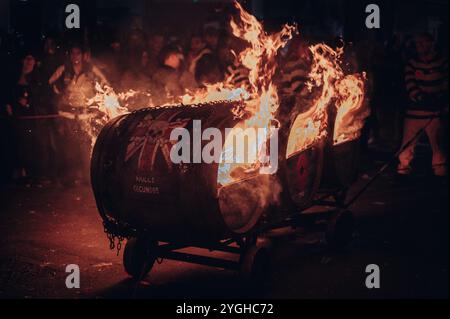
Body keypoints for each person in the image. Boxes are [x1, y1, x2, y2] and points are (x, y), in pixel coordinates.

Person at [49, 44, 109, 186]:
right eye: (72, 53)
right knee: (69, 148)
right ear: (69, 55)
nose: (75, 56)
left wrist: (96, 104)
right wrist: (60, 97)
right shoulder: (63, 69)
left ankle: (88, 178)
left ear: (83, 55)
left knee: (86, 147)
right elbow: (50, 83)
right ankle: (70, 178)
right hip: (68, 115)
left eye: (78, 53)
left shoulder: (90, 70)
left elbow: (105, 84)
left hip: (85, 115)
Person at [397, 33, 448, 177]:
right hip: (415, 112)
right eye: (417, 44)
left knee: (438, 144)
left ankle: (439, 172)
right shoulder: (412, 63)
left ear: (431, 43)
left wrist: (439, 99)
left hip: (434, 113)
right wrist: (421, 97)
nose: (419, 47)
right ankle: (403, 169)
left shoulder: (442, 62)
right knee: (407, 144)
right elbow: (410, 84)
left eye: (422, 43)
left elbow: (446, 82)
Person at [6, 52, 40, 184]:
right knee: (15, 141)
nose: (28, 62)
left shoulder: (35, 78)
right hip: (14, 115)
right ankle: (17, 170)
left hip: (29, 115)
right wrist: (8, 104)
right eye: (26, 59)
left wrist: (28, 102)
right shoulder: (14, 76)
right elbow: (7, 92)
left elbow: (39, 95)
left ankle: (28, 172)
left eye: (31, 59)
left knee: (27, 144)